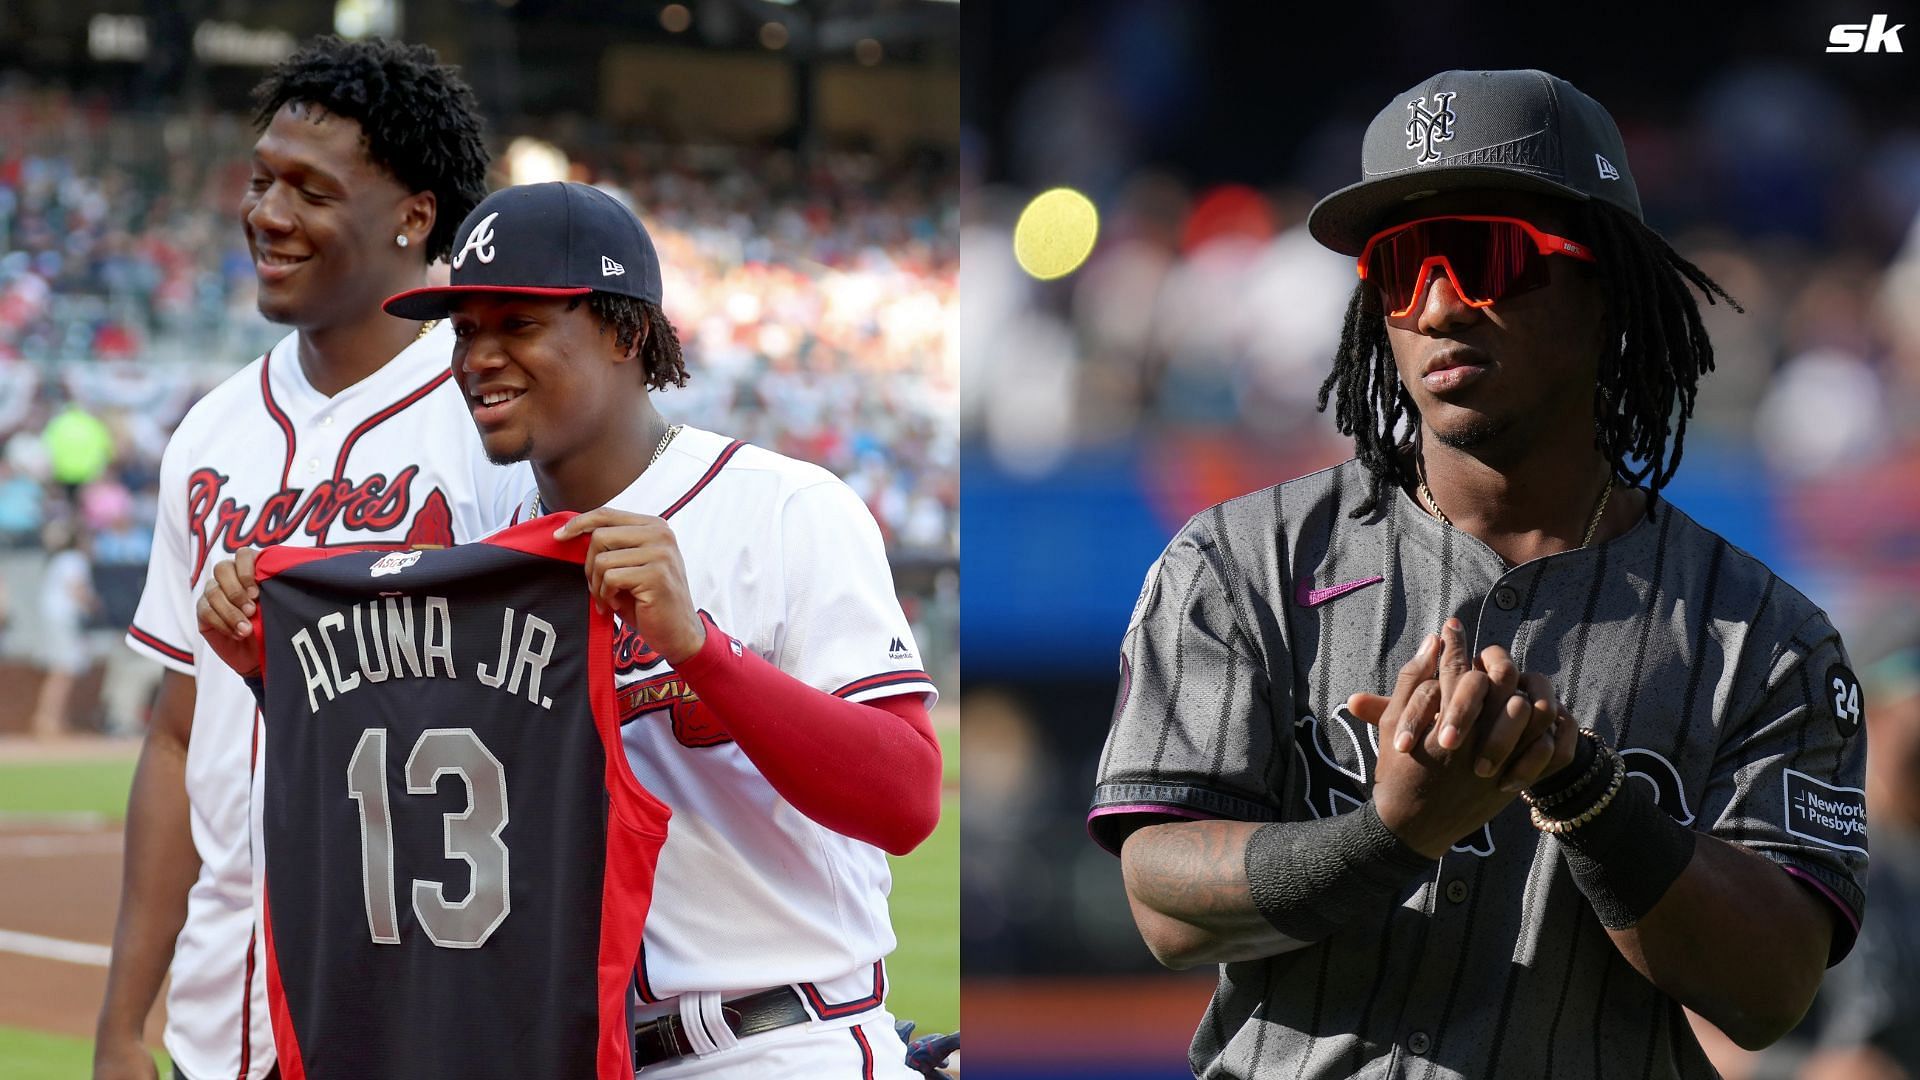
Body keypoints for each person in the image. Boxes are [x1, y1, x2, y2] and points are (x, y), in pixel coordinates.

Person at [1088, 69, 1867, 1080]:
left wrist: (1584, 792)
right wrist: (1389, 835)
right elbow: (1163, 901)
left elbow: (1771, 991)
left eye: (1489, 258)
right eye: (1402, 266)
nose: (1441, 305)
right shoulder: (1240, 561)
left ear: (1605, 288)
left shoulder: (1763, 633)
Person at [199, 181, 943, 1076]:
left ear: (626, 333)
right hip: (565, 1049)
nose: (480, 356)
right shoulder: (484, 544)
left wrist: (703, 653)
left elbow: (907, 799)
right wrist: (264, 675)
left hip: (774, 1040)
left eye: (517, 322)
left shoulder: (783, 508)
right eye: (466, 329)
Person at [95, 36, 525, 1080]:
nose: (267, 216)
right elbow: (176, 734)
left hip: (413, 1019)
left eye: (310, 190)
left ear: (414, 218)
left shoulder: (496, 424)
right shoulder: (207, 433)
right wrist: (120, 1023)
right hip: (214, 1022)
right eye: (260, 181)